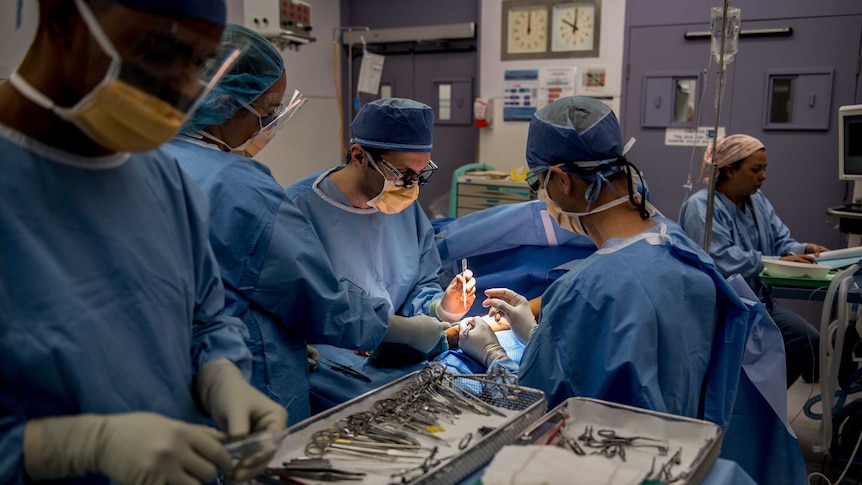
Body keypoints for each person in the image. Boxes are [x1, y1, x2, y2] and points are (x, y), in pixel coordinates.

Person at [0, 1, 286, 483]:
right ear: (61, 19)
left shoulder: (163, 180)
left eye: (200, 63)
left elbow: (205, 318)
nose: (190, 87)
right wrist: (63, 448)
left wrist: (221, 375)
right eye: (162, 50)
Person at [458, 98, 807, 485]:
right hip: (685, 456)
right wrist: (540, 336)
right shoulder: (679, 244)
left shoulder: (586, 292)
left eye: (537, 182)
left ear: (561, 179)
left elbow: (537, 411)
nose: (541, 193)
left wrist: (493, 353)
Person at [164, 23, 391, 424]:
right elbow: (312, 295)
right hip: (246, 382)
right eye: (267, 113)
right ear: (225, 102)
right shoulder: (237, 184)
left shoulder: (150, 158)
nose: (266, 128)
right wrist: (393, 327)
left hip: (176, 378)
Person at [284, 98, 476, 366]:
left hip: (386, 360)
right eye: (403, 174)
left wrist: (440, 307)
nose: (411, 186)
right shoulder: (295, 211)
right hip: (325, 364)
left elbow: (420, 283)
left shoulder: (404, 208)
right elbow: (297, 306)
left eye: (420, 175)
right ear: (359, 156)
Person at [679, 134, 824, 387]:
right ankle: (742, 406)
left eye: (765, 169)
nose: (763, 176)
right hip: (723, 306)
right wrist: (777, 260)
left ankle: (766, 403)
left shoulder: (757, 201)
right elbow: (722, 259)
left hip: (758, 302)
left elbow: (781, 241)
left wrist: (803, 249)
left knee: (807, 341)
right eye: (756, 169)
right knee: (735, 366)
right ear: (729, 171)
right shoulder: (702, 207)